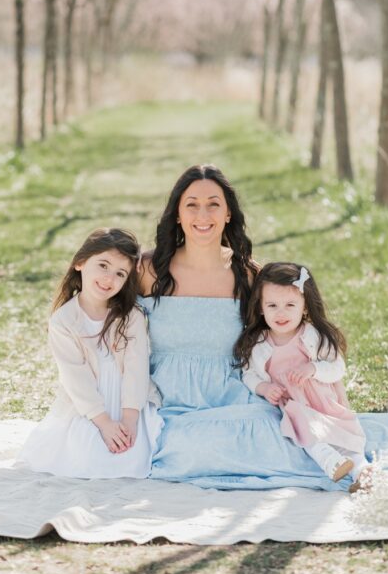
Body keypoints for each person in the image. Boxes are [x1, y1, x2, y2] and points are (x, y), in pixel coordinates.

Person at [139, 164, 347, 490]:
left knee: (277, 438)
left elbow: (291, 334)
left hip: (238, 394)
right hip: (170, 400)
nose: (202, 214)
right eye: (191, 204)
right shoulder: (149, 269)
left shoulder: (249, 274)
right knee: (184, 446)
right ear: (177, 214)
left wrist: (318, 384)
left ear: (228, 215)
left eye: (214, 204)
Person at [19, 228, 160, 478]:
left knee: (135, 459)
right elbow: (76, 379)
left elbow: (136, 370)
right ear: (80, 263)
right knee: (88, 460)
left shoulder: (131, 317)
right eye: (103, 265)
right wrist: (105, 424)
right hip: (89, 406)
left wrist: (129, 420)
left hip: (130, 401)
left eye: (120, 273)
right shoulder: (64, 321)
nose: (109, 278)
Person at [236, 262, 371, 491]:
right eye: (272, 305)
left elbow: (337, 367)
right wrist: (264, 388)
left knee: (348, 442)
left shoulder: (311, 335)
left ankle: (364, 473)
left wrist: (313, 369)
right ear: (260, 308)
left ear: (305, 307)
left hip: (324, 400)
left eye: (290, 304)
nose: (281, 313)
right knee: (305, 430)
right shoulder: (259, 343)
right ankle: (330, 461)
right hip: (294, 404)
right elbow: (248, 374)